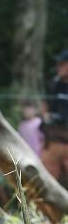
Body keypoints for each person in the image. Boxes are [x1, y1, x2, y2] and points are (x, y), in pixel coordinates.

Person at [41, 48, 68, 184]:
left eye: (62, 64)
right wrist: (46, 116)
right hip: (53, 140)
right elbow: (45, 105)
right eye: (58, 64)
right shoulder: (54, 85)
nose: (59, 67)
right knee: (47, 181)